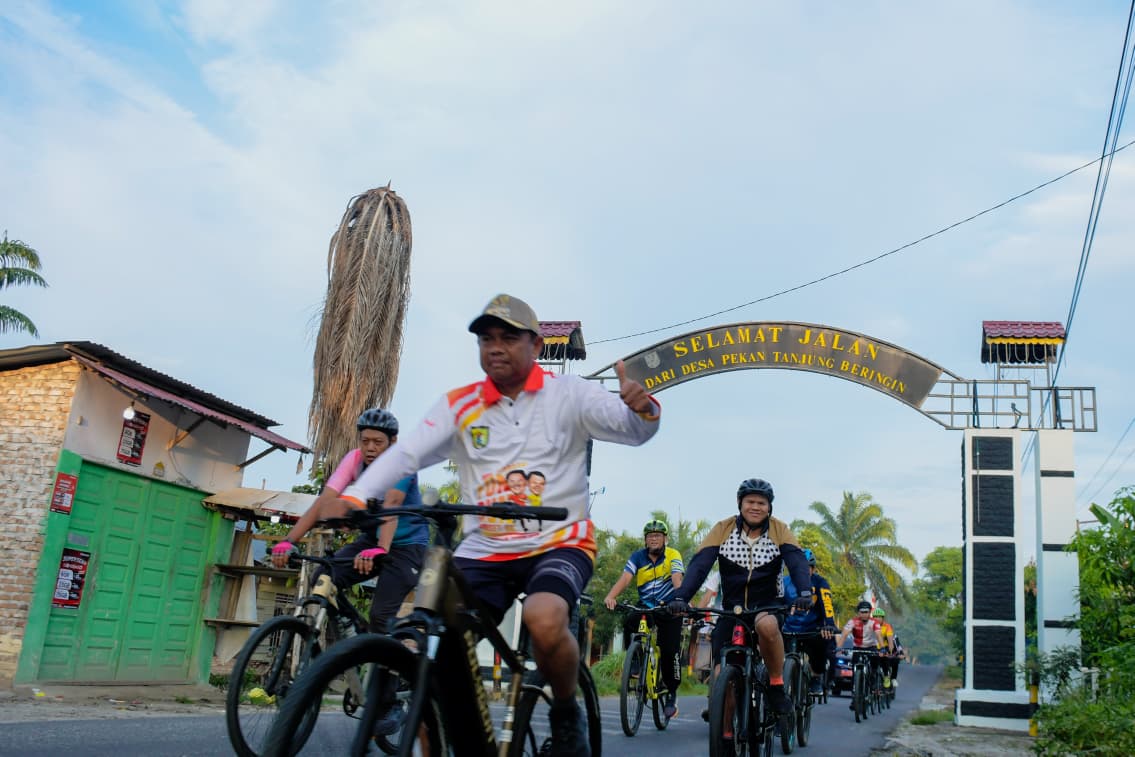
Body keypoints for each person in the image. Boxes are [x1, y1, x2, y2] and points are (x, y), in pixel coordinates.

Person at [337, 293, 661, 757]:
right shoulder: (461, 405)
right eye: (486, 338)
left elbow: (634, 429)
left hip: (558, 541)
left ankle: (567, 712)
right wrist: (351, 496)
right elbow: (406, 453)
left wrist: (642, 407)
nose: (495, 346)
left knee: (544, 619)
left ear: (534, 344)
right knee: (425, 639)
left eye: (508, 337)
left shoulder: (569, 394)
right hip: (483, 548)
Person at [666, 478, 813, 721]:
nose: (755, 507)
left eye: (761, 503)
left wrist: (805, 592)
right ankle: (724, 731)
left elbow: (796, 562)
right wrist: (681, 596)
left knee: (766, 626)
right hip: (731, 609)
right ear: (740, 504)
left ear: (769, 507)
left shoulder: (780, 530)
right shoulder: (722, 529)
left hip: (768, 605)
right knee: (720, 676)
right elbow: (700, 565)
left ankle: (776, 685)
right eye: (750, 502)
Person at [270, 408, 428, 633]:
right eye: (365, 441)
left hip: (408, 547)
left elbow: (392, 505)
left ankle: (391, 663)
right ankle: (349, 628)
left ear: (393, 442)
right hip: (372, 541)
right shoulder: (354, 459)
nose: (370, 448)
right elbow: (321, 504)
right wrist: (288, 541)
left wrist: (382, 548)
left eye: (378, 442)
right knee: (323, 577)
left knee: (380, 617)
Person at [603, 519, 685, 718]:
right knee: (629, 621)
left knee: (669, 650)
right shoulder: (638, 557)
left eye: (657, 535)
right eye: (650, 536)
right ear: (645, 540)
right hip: (647, 606)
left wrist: (680, 599)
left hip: (669, 607)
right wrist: (611, 596)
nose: (654, 539)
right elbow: (625, 577)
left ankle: (671, 693)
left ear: (665, 538)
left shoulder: (673, 555)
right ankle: (636, 662)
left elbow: (677, 578)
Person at [780, 548, 838, 694]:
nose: (804, 572)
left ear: (813, 568)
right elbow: (775, 604)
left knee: (823, 642)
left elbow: (827, 605)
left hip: (811, 629)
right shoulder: (783, 582)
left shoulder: (820, 583)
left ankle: (816, 677)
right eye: (799, 569)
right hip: (787, 629)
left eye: (807, 568)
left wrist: (829, 625)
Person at [837, 600, 884, 709]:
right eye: (862, 612)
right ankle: (855, 696)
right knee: (855, 671)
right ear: (858, 613)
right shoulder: (852, 622)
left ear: (870, 612)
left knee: (874, 664)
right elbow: (844, 635)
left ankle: (873, 683)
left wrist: (882, 648)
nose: (864, 614)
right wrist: (839, 648)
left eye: (866, 612)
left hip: (871, 647)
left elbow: (879, 635)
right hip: (857, 648)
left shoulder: (874, 623)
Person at [872, 607, 904, 688]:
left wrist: (890, 651)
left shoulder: (887, 626)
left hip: (884, 648)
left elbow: (891, 640)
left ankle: (889, 677)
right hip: (872, 648)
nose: (877, 619)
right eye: (875, 617)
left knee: (892, 659)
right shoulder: (870, 625)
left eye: (879, 617)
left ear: (883, 618)